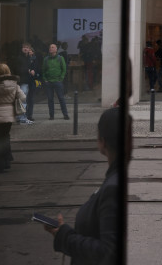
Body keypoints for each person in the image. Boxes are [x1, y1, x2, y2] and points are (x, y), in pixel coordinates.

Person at [43, 107, 132, 264]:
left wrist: (64, 236)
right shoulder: (115, 177)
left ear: (102, 141)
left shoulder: (113, 187)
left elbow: (108, 252)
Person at [43, 43, 70, 120]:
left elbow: (64, 69)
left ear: (56, 49)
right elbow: (43, 70)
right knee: (50, 99)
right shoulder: (46, 59)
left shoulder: (60, 58)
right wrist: (45, 79)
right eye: (50, 47)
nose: (50, 48)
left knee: (61, 98)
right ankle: (51, 116)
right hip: (49, 82)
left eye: (52, 47)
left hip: (57, 82)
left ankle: (65, 114)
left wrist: (60, 79)